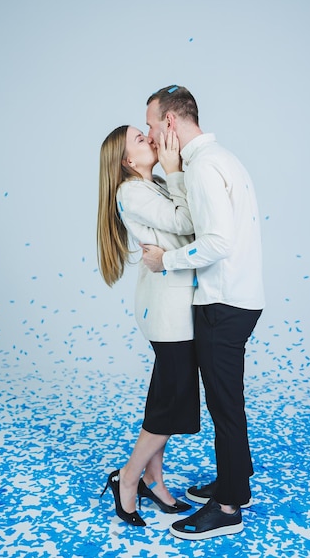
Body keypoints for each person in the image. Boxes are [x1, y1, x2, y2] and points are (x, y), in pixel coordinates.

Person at [142, 85, 265, 540]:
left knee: (224, 405)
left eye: (153, 125)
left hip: (222, 300)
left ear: (171, 122)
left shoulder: (203, 167)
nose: (151, 136)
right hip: (239, 297)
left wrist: (164, 261)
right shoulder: (219, 158)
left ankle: (229, 506)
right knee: (226, 401)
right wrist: (176, 174)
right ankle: (237, 482)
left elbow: (215, 242)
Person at [97, 124, 200, 527]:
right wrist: (176, 170)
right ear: (127, 161)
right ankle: (128, 476)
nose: (150, 139)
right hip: (166, 310)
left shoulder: (152, 184)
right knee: (172, 402)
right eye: (140, 140)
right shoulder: (131, 191)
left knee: (164, 398)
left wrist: (171, 176)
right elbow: (187, 220)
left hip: (176, 305)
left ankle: (153, 479)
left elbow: (187, 231)